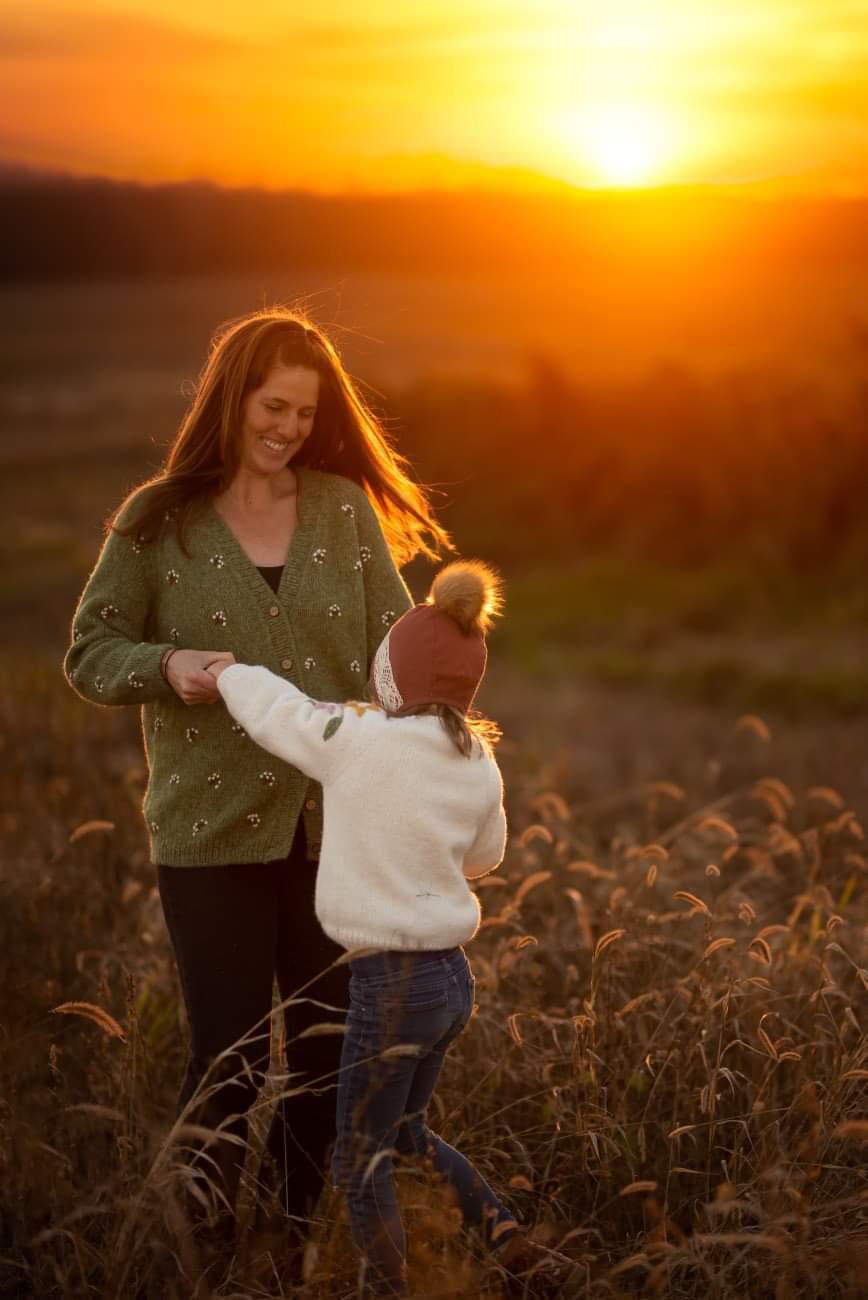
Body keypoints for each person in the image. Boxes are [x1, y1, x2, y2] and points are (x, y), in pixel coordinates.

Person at [63, 307, 450, 1245]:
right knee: (226, 1061)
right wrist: (167, 665)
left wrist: (443, 701)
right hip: (207, 835)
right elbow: (90, 652)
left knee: (324, 1058)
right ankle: (201, 1250)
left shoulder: (343, 511)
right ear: (232, 398)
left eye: (306, 414)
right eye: (273, 407)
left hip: (335, 833)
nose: (287, 429)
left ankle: (287, 1245)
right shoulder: (158, 521)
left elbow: (394, 657)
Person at [206, 560, 522, 1296]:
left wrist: (228, 673)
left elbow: (283, 713)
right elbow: (487, 857)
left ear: (391, 678)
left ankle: (386, 1287)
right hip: (451, 983)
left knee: (358, 1158)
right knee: (406, 1133)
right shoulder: (477, 758)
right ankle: (505, 1234)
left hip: (391, 985)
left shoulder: (356, 738)